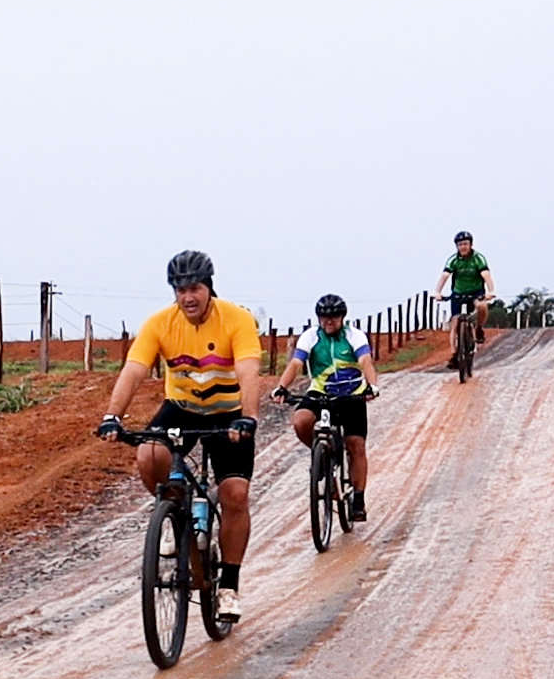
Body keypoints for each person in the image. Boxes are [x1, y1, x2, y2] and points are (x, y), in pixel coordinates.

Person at [96, 250, 263, 621]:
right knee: (150, 456)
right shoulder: (160, 323)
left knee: (235, 495)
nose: (188, 296)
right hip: (183, 408)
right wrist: (113, 416)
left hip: (228, 411)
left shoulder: (236, 319)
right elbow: (135, 369)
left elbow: (249, 370)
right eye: (180, 289)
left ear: (209, 287)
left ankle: (230, 587)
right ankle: (176, 516)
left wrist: (248, 418)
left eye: (195, 288)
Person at [270, 295, 380, 520]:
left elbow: (365, 361)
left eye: (334, 316)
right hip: (320, 393)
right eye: (324, 317)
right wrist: (281, 387)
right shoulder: (310, 336)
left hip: (352, 395)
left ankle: (358, 499)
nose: (329, 321)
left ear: (342, 317)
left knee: (355, 445)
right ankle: (323, 455)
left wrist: (372, 385)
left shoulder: (354, 335)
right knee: (300, 421)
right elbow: (296, 363)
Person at [432, 230, 495, 358]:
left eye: (465, 244)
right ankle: (454, 354)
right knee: (455, 323)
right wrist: (437, 292)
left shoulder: (478, 258)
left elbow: (486, 275)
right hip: (458, 293)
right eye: (460, 244)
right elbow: (445, 275)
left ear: (471, 245)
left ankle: (478, 328)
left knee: (482, 307)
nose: (463, 247)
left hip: (476, 291)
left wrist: (491, 291)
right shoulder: (453, 260)